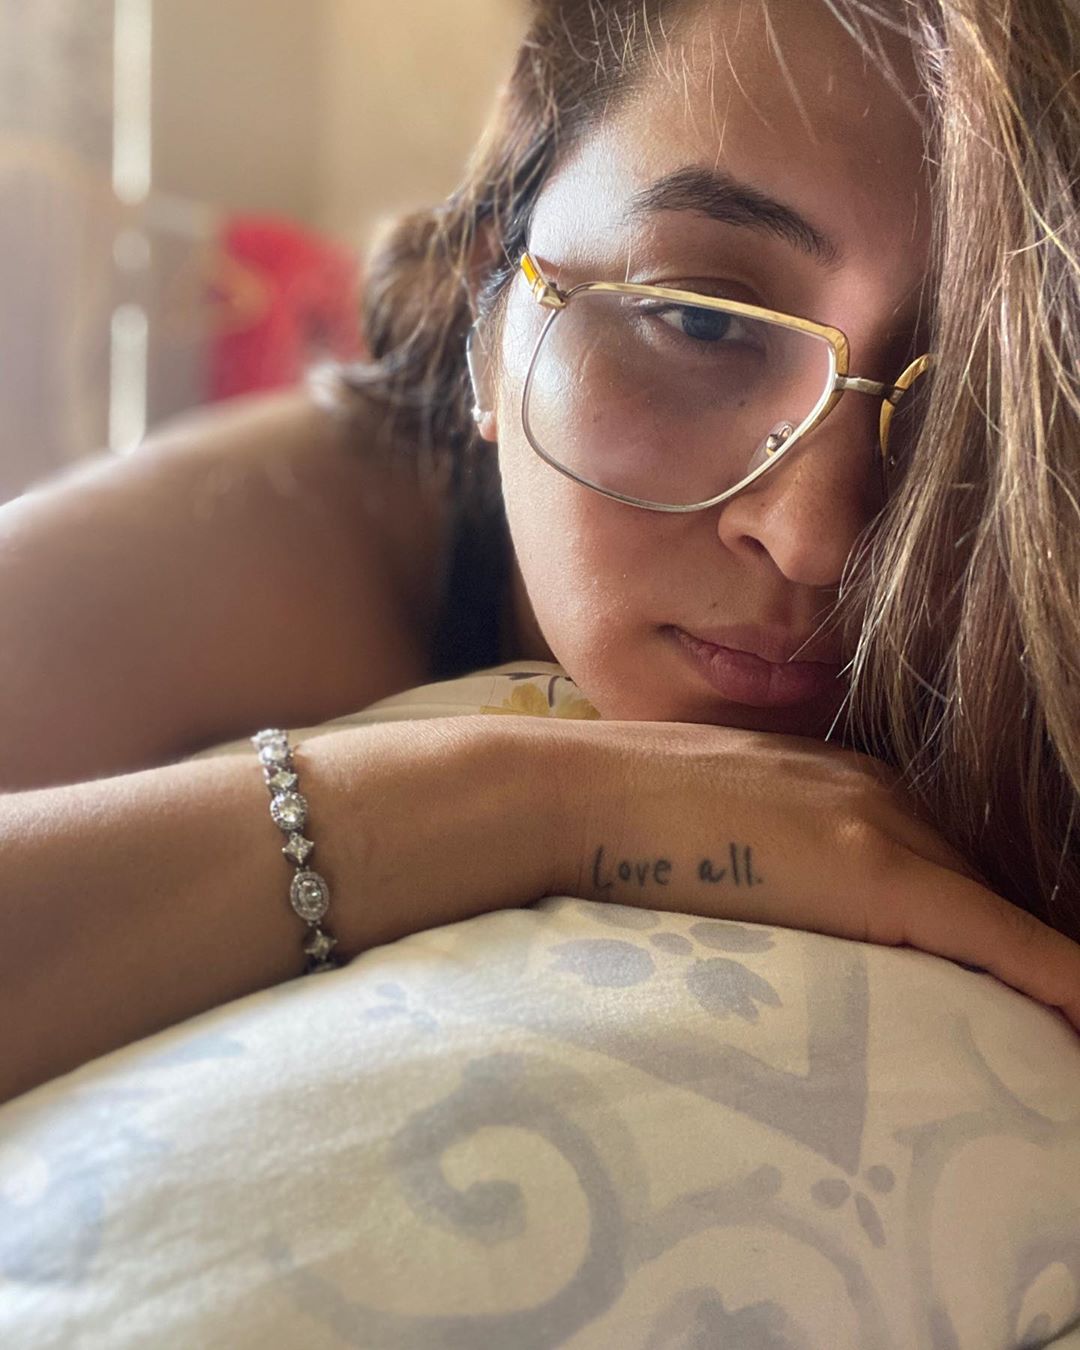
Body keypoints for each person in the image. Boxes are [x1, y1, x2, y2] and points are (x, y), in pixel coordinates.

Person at [1, 0, 1077, 1104]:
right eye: (699, 319)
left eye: (981, 390)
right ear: (489, 309)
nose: (814, 539)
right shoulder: (271, 542)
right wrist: (537, 806)